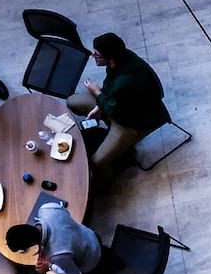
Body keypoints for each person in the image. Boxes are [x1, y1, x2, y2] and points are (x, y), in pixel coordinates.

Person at [6, 201, 144, 274]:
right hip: (91, 238)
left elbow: (73, 273)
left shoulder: (58, 255)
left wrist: (49, 266)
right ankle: (118, 264)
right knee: (106, 254)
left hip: (92, 263)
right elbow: (64, 214)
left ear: (28, 246)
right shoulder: (47, 209)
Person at [66, 33, 167, 183]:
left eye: (97, 54)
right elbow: (109, 87)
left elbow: (114, 109)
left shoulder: (124, 83)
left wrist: (97, 94)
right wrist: (100, 102)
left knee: (98, 161)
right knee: (73, 101)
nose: (93, 55)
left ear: (111, 59)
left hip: (134, 123)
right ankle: (111, 137)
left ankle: (105, 182)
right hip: (121, 106)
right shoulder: (120, 60)